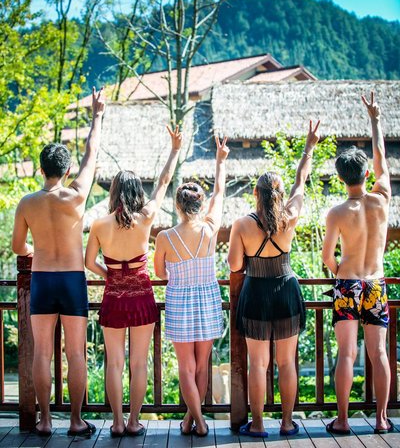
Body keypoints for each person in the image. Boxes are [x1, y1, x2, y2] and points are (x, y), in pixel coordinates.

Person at [12, 87, 106, 438]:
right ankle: (77, 420)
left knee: (42, 353)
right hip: (71, 279)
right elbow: (91, 152)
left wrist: (35, 251)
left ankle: (46, 420)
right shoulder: (77, 196)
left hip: (41, 279)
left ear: (41, 169)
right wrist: (97, 116)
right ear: (66, 170)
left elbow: (18, 247)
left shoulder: (27, 203)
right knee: (76, 353)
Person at [85, 125, 182, 438]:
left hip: (113, 297)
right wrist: (174, 149)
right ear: (137, 191)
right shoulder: (146, 217)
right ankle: (133, 422)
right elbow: (164, 182)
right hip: (142, 297)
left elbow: (89, 263)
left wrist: (110, 275)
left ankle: (115, 422)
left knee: (114, 363)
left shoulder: (99, 224)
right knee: (139, 363)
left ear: (113, 192)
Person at [228, 121, 320, 439]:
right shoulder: (290, 217)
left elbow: (234, 264)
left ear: (255, 193)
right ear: (280, 195)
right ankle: (287, 423)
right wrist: (308, 148)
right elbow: (300, 182)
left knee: (258, 364)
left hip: (255, 291)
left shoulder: (242, 224)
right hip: (286, 291)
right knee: (286, 362)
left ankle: (256, 425)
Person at [322, 92, 392, 435]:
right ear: (366, 174)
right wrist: (375, 120)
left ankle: (343, 420)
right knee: (379, 353)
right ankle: (381, 420)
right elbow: (382, 160)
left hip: (348, 283)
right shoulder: (382, 199)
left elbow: (327, 256)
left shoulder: (336, 213)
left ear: (340, 178)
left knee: (347, 354)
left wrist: (340, 275)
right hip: (375, 282)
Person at [154, 136, 229, 437]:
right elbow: (220, 192)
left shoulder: (165, 237)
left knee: (185, 367)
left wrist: (177, 275)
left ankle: (195, 421)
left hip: (179, 301)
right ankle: (195, 420)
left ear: (177, 205)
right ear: (201, 203)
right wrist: (220, 160)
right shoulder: (210, 229)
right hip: (208, 298)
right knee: (201, 366)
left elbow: (159, 273)